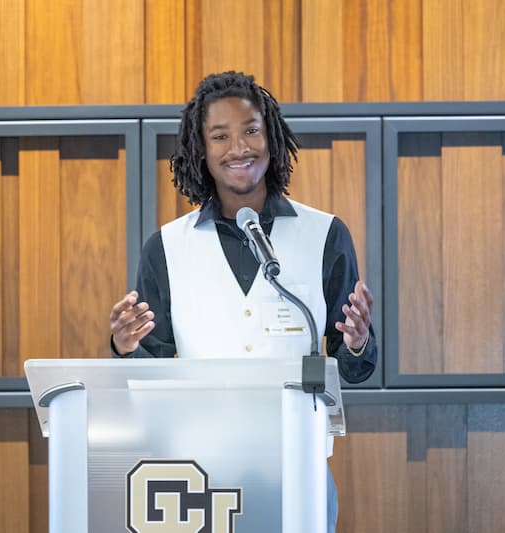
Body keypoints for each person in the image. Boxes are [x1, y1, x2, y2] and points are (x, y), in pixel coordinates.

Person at [109, 71, 377, 532]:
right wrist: (124, 348)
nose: (239, 148)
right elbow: (145, 376)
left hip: (297, 467)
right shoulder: (167, 247)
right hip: (197, 476)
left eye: (251, 130)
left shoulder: (325, 235)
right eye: (220, 136)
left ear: (270, 137)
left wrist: (355, 343)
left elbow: (355, 369)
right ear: (202, 151)